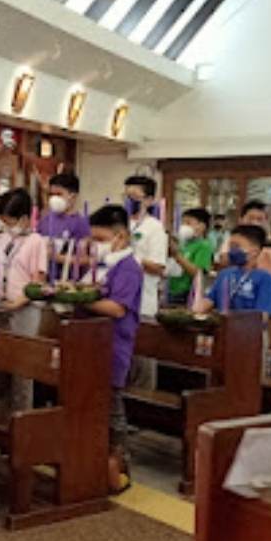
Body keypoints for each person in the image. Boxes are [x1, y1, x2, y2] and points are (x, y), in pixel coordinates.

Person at [84, 205, 143, 494]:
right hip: (90, 344)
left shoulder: (129, 268)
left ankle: (120, 466)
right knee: (94, 404)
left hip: (114, 345)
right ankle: (92, 461)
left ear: (120, 237)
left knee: (113, 408)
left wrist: (80, 300)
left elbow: (117, 308)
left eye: (99, 238)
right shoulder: (105, 264)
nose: (95, 245)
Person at [0, 189, 48, 409]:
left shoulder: (36, 241)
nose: (7, 225)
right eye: (4, 221)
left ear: (25, 218)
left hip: (24, 308)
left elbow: (38, 280)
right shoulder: (3, 238)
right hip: (1, 305)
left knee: (22, 368)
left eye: (11, 220)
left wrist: (18, 302)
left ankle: (21, 416)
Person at [200, 225, 271, 317]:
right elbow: (209, 301)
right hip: (222, 326)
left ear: (254, 252)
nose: (232, 250)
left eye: (236, 246)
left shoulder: (265, 278)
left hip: (248, 328)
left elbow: (262, 315)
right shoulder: (224, 274)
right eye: (230, 246)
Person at [123, 176, 167, 316]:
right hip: (119, 296)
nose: (129, 201)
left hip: (142, 299)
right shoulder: (119, 224)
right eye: (126, 196)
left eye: (135, 197)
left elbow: (158, 267)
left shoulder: (155, 228)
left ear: (149, 200)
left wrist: (130, 257)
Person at [216, 201, 271, 274]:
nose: (255, 223)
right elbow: (223, 260)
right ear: (241, 220)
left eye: (259, 219)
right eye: (251, 218)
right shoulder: (232, 240)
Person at [167, 208, 215, 306]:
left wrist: (177, 256)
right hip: (172, 289)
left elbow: (198, 273)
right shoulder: (183, 243)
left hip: (187, 293)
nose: (184, 226)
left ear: (202, 226)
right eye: (183, 223)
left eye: (188, 223)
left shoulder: (204, 246)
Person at [37, 172, 90, 252]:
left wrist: (56, 257)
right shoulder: (46, 219)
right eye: (51, 194)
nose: (54, 198)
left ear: (73, 197)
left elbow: (84, 259)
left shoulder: (80, 223)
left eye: (59, 194)